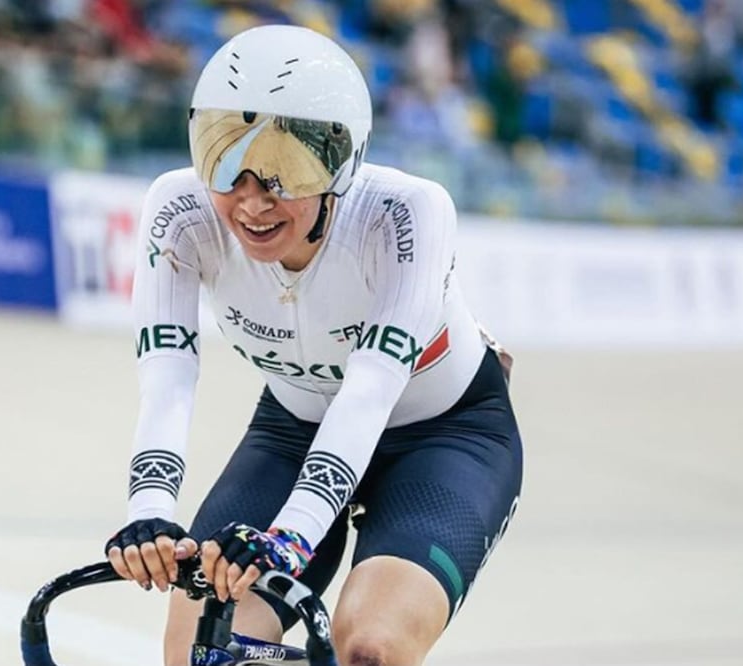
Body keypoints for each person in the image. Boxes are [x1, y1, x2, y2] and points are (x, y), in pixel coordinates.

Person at [105, 24, 522, 665]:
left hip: (443, 436)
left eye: (286, 171)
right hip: (295, 427)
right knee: (199, 650)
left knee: (370, 649)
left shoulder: (407, 214)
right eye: (223, 159)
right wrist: (151, 510)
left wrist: (292, 538)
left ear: (342, 163)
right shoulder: (179, 210)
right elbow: (168, 379)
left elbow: (369, 393)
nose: (251, 200)